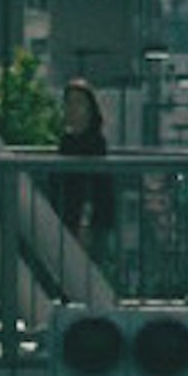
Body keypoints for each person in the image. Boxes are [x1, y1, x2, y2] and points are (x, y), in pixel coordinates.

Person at [53, 74, 113, 254]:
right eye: (69, 103)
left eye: (79, 102)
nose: (72, 108)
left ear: (90, 108)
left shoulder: (95, 142)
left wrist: (85, 221)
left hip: (90, 220)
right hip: (67, 216)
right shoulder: (66, 141)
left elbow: (95, 184)